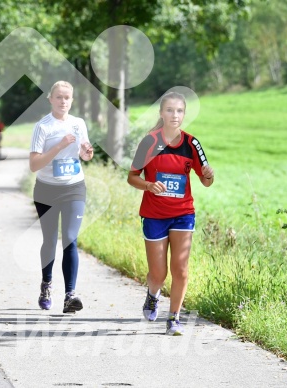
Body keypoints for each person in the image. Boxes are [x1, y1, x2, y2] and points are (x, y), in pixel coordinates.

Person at [127, 91, 214, 336]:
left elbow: (206, 181)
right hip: (154, 214)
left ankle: (174, 318)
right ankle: (152, 295)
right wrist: (148, 185)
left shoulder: (192, 144)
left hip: (183, 214)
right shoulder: (149, 142)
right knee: (158, 273)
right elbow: (131, 177)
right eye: (169, 110)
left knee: (181, 269)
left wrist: (209, 174)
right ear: (161, 113)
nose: (174, 115)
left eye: (179, 111)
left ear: (184, 114)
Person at [29, 81, 94, 314]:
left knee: (69, 238)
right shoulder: (42, 127)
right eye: (59, 97)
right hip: (46, 189)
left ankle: (70, 295)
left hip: (74, 187)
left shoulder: (78, 124)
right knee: (49, 240)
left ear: (72, 100)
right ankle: (46, 284)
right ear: (50, 99)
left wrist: (87, 152)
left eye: (67, 97)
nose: (63, 101)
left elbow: (84, 153)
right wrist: (58, 146)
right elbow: (34, 164)